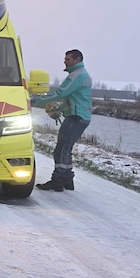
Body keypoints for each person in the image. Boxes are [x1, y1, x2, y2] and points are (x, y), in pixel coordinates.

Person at [31, 49, 93, 191]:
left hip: (76, 117)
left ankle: (57, 180)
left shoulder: (76, 75)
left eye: (68, 59)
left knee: (61, 149)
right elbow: (73, 98)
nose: (65, 61)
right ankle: (67, 180)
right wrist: (59, 108)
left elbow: (60, 93)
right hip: (79, 116)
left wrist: (35, 100)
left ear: (77, 59)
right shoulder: (79, 74)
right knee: (66, 148)